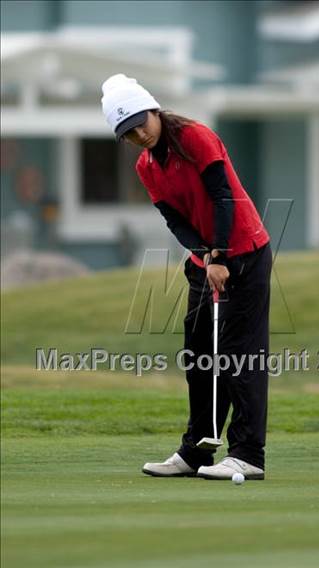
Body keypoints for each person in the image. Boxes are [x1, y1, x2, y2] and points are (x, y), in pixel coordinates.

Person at [101, 74, 272, 480]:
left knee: (238, 354)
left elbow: (223, 197)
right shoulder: (147, 167)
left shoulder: (195, 137)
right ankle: (197, 451)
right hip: (204, 263)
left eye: (142, 121)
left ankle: (248, 453)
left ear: (154, 109)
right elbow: (175, 220)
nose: (139, 133)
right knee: (197, 353)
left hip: (244, 253)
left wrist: (221, 256)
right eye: (128, 131)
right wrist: (205, 256)